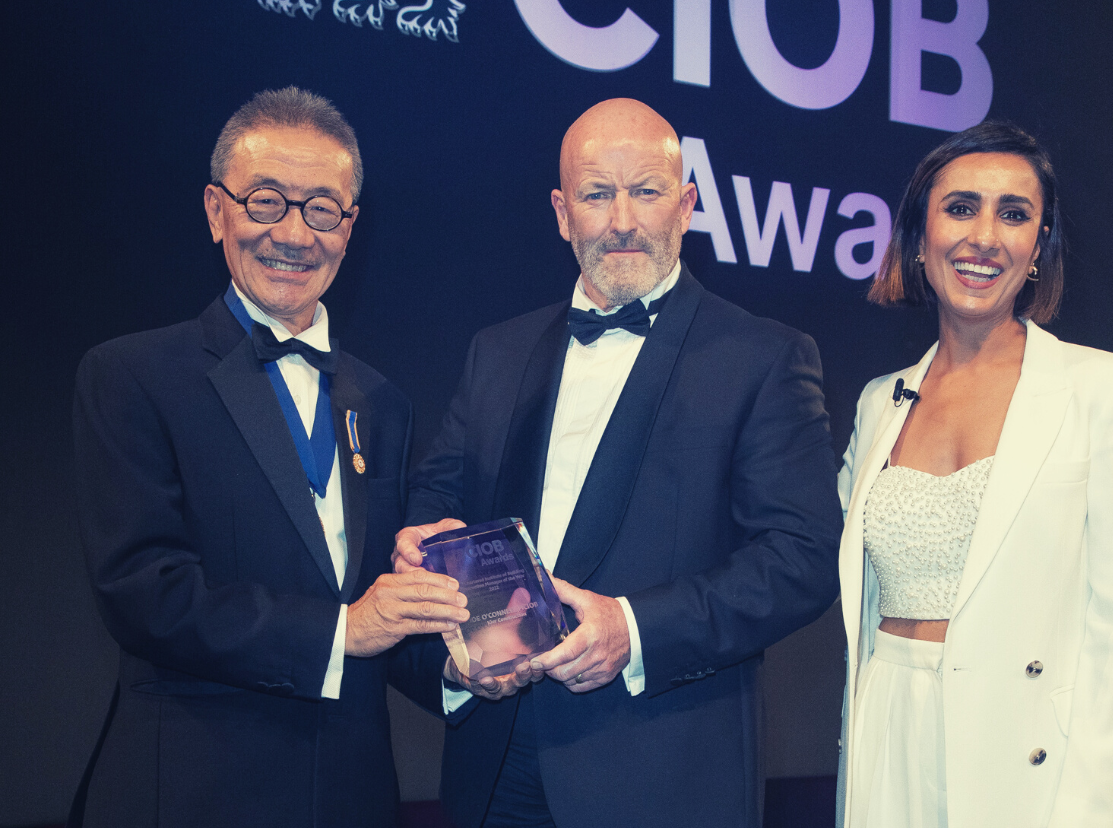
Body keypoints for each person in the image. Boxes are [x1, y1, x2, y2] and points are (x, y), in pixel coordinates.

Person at [392, 98, 843, 828]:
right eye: (597, 193)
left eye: (648, 190)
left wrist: (635, 630)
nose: (623, 219)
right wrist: (424, 541)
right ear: (563, 212)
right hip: (493, 764)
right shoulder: (495, 353)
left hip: (661, 775)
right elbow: (436, 496)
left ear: (688, 204)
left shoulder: (764, 357)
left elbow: (803, 559)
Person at [70, 87, 476, 828]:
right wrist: (342, 632)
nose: (294, 232)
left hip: (353, 798)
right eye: (266, 202)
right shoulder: (131, 375)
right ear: (216, 210)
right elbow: (144, 594)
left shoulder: (382, 404)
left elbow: (377, 611)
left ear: (349, 230)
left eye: (322, 209)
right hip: (192, 794)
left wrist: (462, 665)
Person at [836, 121, 1113, 827]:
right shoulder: (878, 403)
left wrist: (1091, 807)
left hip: (1034, 756)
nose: (984, 236)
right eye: (960, 208)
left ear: (1038, 248)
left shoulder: (1103, 389)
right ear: (918, 239)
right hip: (891, 728)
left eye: (1014, 214)